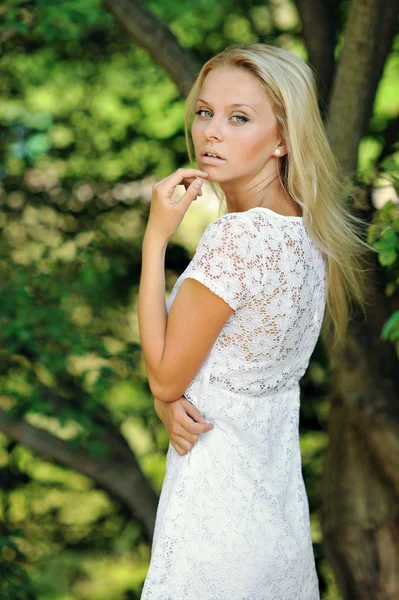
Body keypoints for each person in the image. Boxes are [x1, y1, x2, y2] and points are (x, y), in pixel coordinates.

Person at [138, 43, 373, 599]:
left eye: (238, 118)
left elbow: (168, 375)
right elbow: (224, 370)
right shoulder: (310, 239)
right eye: (204, 112)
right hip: (275, 524)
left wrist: (154, 239)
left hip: (214, 525)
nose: (211, 132)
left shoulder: (239, 239)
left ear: (283, 138)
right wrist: (168, 394)